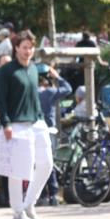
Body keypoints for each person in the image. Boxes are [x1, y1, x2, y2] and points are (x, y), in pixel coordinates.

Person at [0, 29, 53, 219]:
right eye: (24, 47)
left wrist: (41, 118)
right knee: (19, 170)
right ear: (16, 48)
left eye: (31, 47)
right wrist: (6, 123)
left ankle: (29, 204)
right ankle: (18, 212)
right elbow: (1, 100)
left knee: (46, 164)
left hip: (37, 121)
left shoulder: (34, 69)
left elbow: (34, 96)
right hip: (17, 123)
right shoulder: (6, 71)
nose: (28, 51)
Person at [35, 64, 72, 206]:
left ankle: (42, 194)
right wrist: (58, 77)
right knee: (48, 162)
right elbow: (68, 89)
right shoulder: (49, 92)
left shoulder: (32, 92)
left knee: (37, 163)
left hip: (34, 129)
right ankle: (53, 194)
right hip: (48, 130)